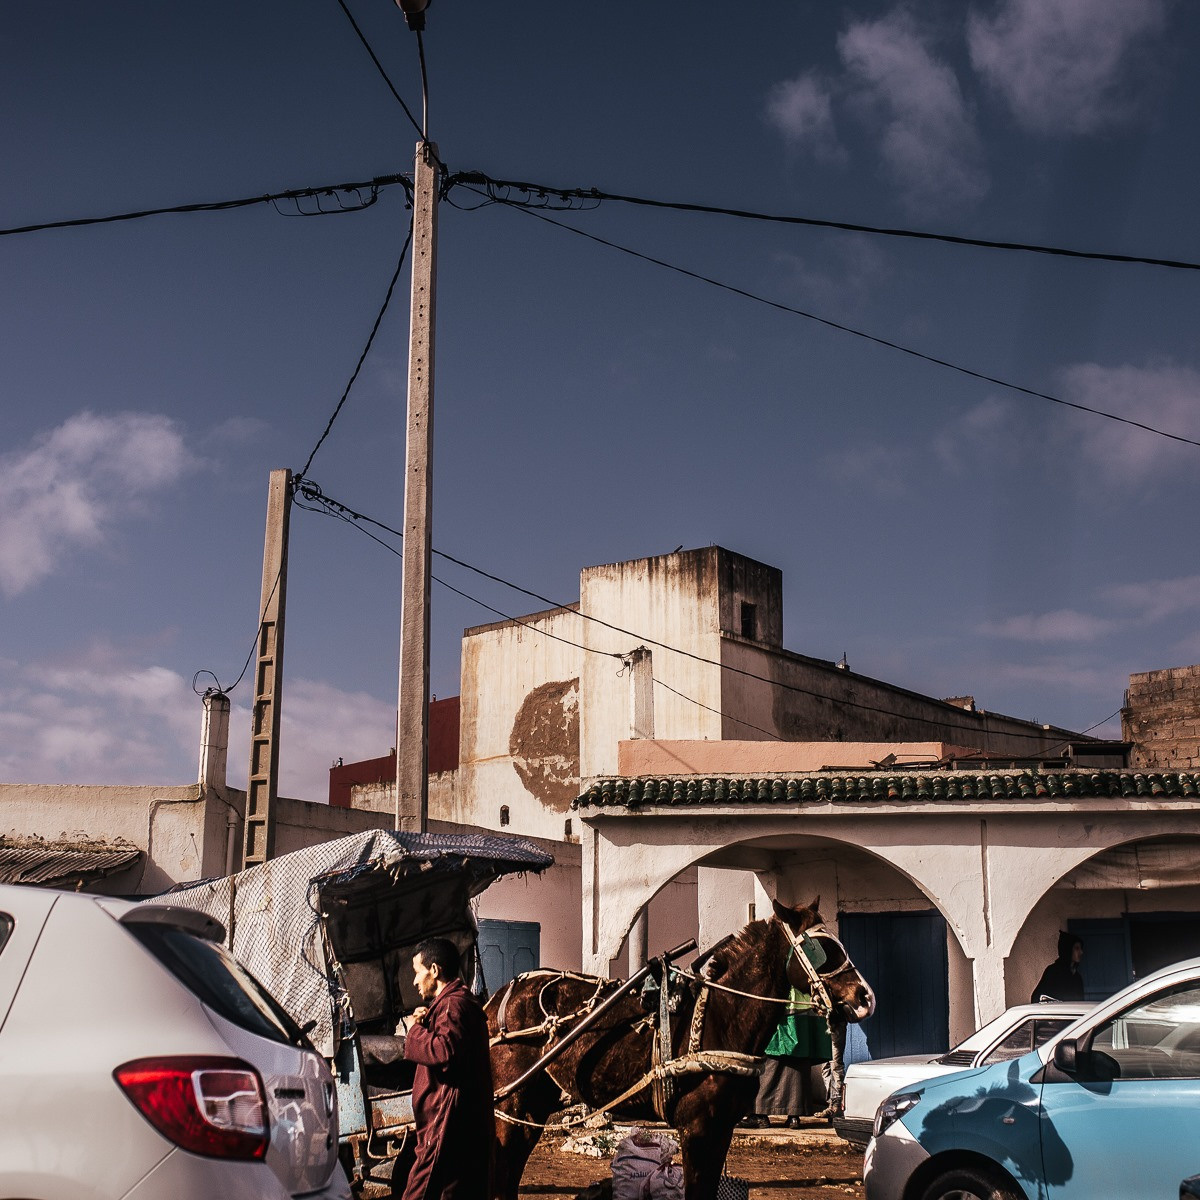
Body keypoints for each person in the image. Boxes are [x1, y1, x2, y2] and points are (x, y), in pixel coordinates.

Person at [400, 937, 494, 1200]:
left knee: (420, 1190)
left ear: (434, 970)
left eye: (418, 972)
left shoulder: (453, 1005)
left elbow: (443, 1051)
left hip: (445, 1120)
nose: (415, 981)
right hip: (455, 1121)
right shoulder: (453, 1004)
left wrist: (415, 1031)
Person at [741, 987, 831, 1129]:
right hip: (802, 1010)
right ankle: (794, 1117)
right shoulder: (807, 969)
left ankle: (760, 1116)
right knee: (797, 1063)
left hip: (781, 1007)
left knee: (768, 1062)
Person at [1030, 932, 1085, 1003]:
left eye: (1080, 948)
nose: (1081, 952)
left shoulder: (1077, 976)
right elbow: (1036, 998)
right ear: (1067, 950)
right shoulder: (1053, 972)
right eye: (1077, 948)